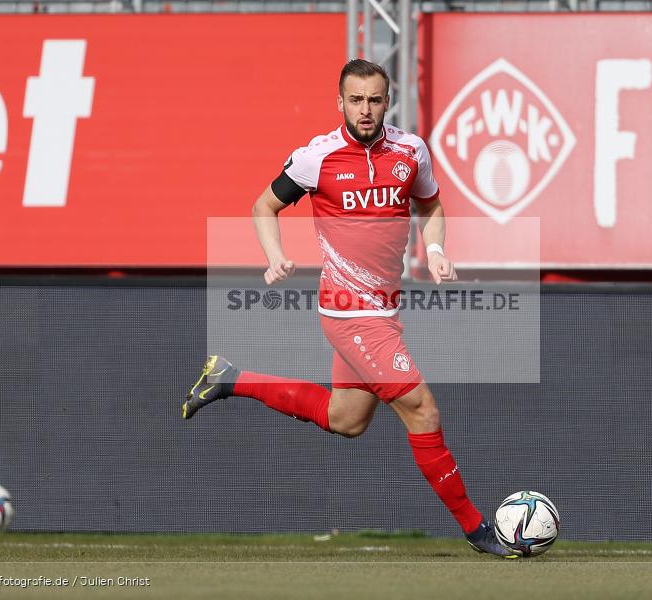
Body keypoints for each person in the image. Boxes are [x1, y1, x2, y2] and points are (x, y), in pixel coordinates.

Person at [183, 59, 516, 558]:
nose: (365, 109)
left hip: (384, 308)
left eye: (374, 100)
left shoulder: (411, 151)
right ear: (339, 102)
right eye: (355, 100)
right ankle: (476, 529)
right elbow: (263, 206)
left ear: (388, 101)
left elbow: (430, 205)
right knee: (423, 410)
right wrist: (275, 257)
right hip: (348, 311)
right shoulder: (317, 158)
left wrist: (439, 250)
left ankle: (229, 378)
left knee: (347, 419)